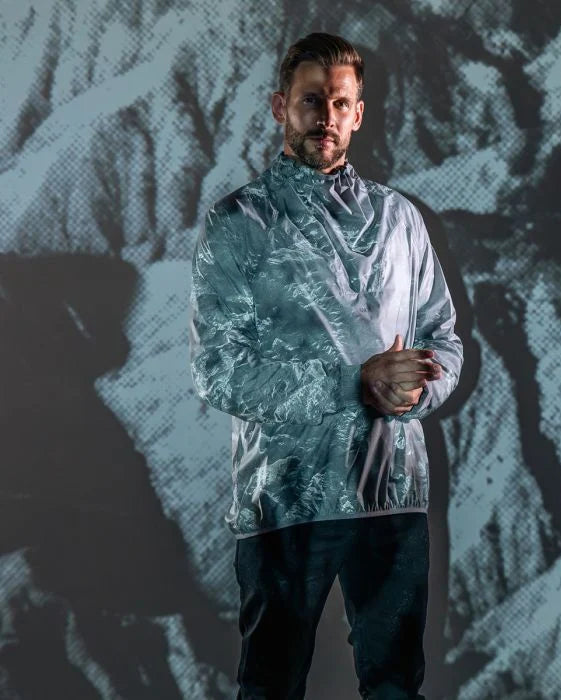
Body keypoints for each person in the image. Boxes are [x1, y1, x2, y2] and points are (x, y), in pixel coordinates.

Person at [189, 31, 463, 700]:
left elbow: (444, 339)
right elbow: (218, 368)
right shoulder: (239, 224)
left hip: (391, 493)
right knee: (272, 686)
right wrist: (354, 384)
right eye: (312, 101)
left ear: (359, 114)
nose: (327, 117)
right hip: (288, 496)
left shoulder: (400, 221)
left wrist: (418, 392)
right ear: (279, 106)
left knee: (396, 687)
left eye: (341, 103)